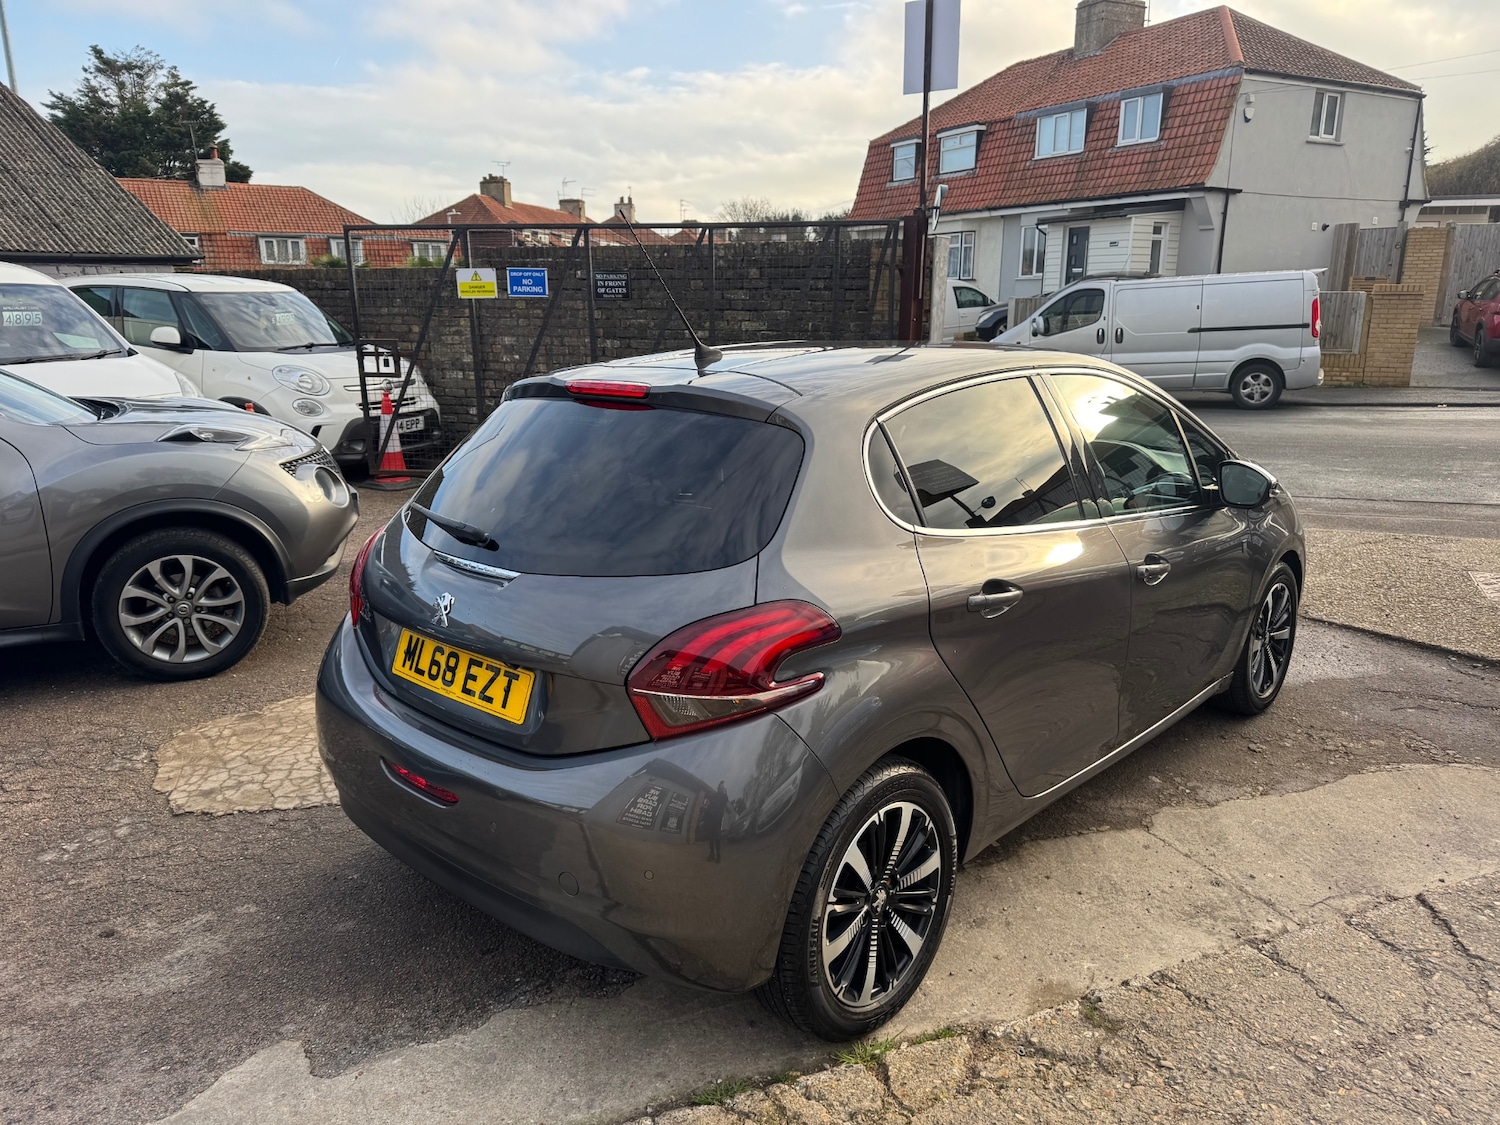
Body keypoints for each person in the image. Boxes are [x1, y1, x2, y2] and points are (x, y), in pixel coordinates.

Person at [703, 781, 729, 863]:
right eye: (720, 787)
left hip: (718, 820)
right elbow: (709, 806)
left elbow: (726, 801)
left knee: (717, 837)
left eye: (722, 788)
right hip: (711, 819)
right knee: (711, 837)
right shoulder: (713, 796)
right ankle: (711, 853)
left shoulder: (724, 797)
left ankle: (718, 854)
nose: (721, 789)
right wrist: (705, 816)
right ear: (718, 788)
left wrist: (725, 791)